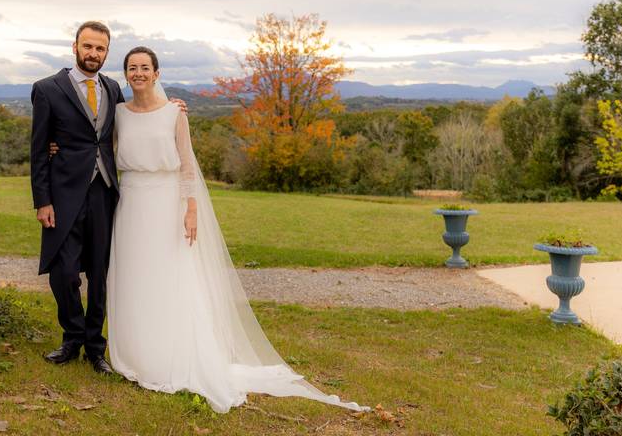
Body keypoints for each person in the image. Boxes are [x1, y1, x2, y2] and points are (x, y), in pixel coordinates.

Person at [106, 46, 369, 413]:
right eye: (132, 68)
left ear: (157, 73)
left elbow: (186, 165)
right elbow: (99, 149)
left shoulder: (174, 113)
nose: (138, 73)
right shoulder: (118, 114)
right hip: (132, 204)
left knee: (170, 278)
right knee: (135, 278)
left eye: (144, 68)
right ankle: (135, 353)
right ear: (126, 74)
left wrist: (191, 207)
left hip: (166, 203)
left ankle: (170, 355)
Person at [29, 20, 122, 374]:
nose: (93, 53)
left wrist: (172, 111)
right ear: (75, 47)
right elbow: (38, 150)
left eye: (100, 49)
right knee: (63, 271)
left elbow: (121, 132)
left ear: (106, 52)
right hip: (62, 194)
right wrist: (43, 200)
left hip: (104, 192)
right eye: (88, 46)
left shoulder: (113, 88)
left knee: (99, 272)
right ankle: (72, 336)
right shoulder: (47, 89)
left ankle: (96, 348)